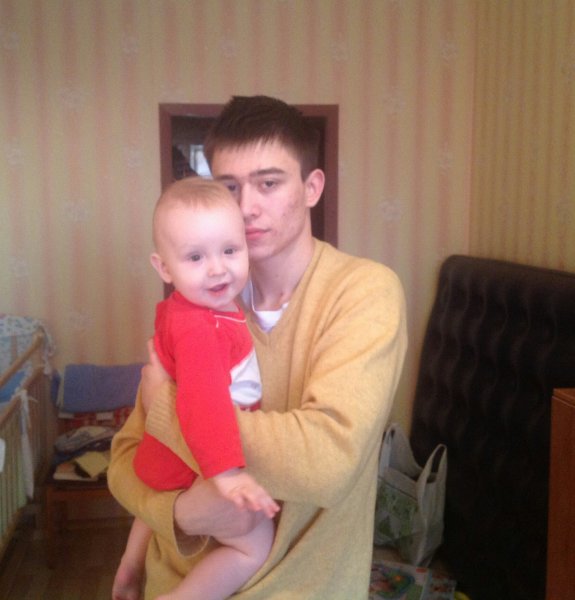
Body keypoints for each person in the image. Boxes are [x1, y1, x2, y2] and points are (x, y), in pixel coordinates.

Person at [108, 95, 408, 599]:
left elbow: (327, 461)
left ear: (312, 188)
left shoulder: (364, 292)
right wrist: (181, 513)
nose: (246, 206)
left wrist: (166, 409)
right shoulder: (200, 301)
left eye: (269, 183)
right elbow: (124, 461)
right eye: (229, 187)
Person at [112, 177, 279, 600]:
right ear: (164, 268)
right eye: (195, 257)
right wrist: (228, 476)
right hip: (193, 464)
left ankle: (130, 564)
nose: (218, 268)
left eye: (230, 251)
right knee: (254, 545)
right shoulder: (202, 330)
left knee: (156, 498)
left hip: (160, 458)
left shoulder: (189, 308)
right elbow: (204, 404)